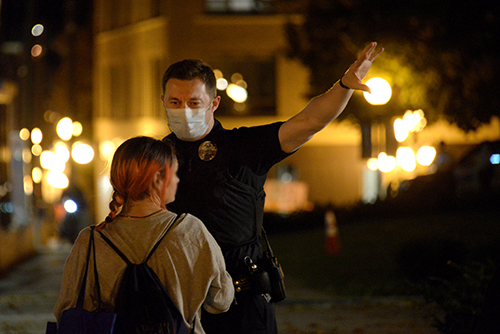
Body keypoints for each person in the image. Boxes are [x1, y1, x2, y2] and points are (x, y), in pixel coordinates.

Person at [161, 42, 383, 334]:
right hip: (177, 305)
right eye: (174, 102)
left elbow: (309, 122)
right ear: (163, 101)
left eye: (194, 102)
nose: (184, 111)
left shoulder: (244, 148)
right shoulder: (154, 156)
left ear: (214, 103)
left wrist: (343, 86)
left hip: (241, 307)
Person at [54, 136, 234, 333]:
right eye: (173, 173)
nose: (177, 180)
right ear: (158, 178)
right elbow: (220, 300)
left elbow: (66, 310)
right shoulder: (190, 230)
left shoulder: (90, 241)